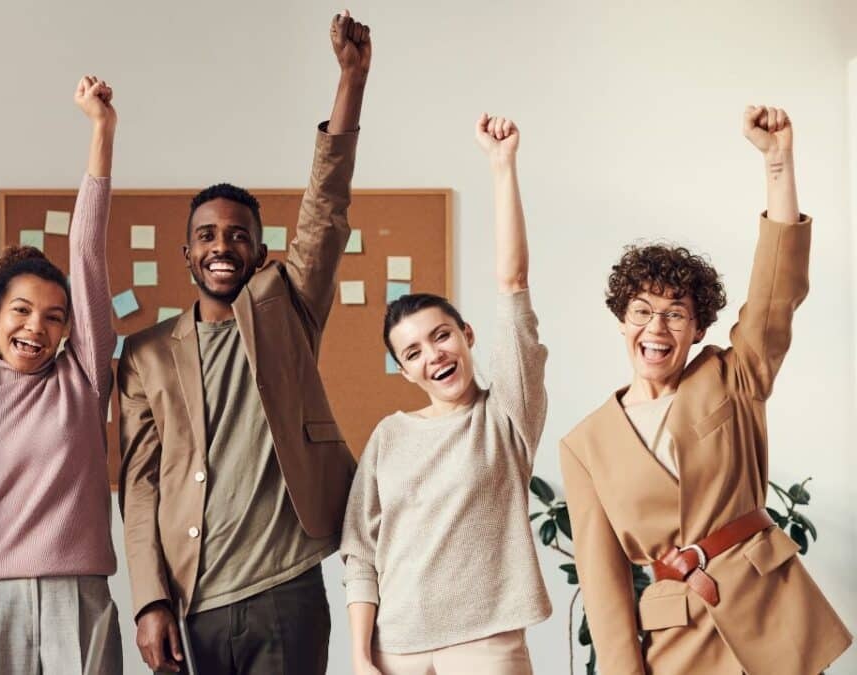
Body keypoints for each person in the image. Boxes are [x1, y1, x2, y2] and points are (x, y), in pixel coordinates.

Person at [115, 11, 371, 674]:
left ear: (259, 251)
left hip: (286, 588)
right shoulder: (144, 354)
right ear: (187, 253)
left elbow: (326, 206)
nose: (222, 245)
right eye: (207, 235)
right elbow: (139, 486)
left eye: (237, 235)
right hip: (193, 598)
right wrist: (148, 600)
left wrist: (352, 81)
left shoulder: (287, 306)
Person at [559, 106, 852, 674]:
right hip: (680, 639)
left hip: (772, 611)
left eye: (676, 314)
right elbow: (603, 585)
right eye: (641, 311)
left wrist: (777, 164)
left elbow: (777, 295)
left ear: (698, 328)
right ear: (622, 321)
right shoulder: (584, 445)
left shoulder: (731, 375)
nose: (656, 328)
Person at [0, 75, 122, 675]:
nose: (36, 327)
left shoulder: (83, 383)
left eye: (55, 317)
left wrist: (101, 130)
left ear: (69, 330)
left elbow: (85, 250)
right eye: (22, 311)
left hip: (78, 599)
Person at [341, 115, 550, 675]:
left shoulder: (506, 416)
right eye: (413, 353)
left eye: (441, 336)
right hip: (395, 647)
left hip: (485, 644)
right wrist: (362, 657)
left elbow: (513, 286)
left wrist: (501, 167)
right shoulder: (389, 435)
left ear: (466, 337)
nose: (432, 356)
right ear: (405, 371)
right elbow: (360, 551)